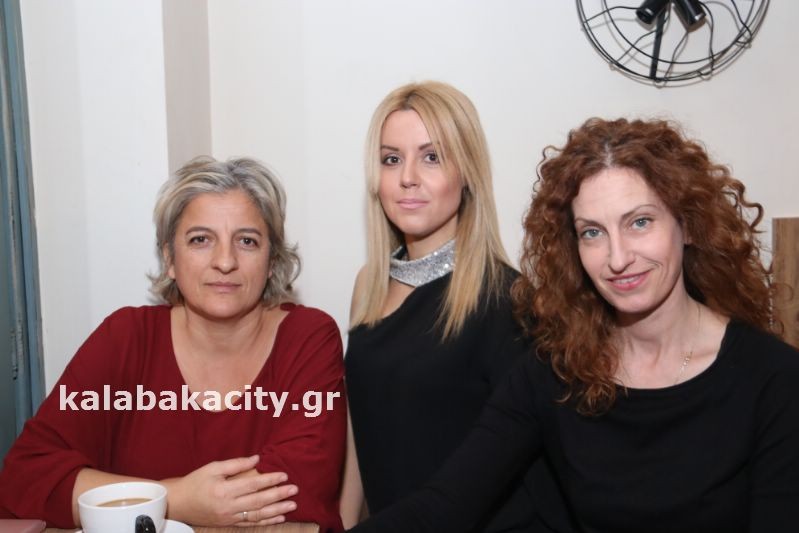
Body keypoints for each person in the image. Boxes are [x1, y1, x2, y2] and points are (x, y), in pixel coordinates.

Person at [347, 117, 799, 532]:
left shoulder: (772, 379)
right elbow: (443, 506)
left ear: (689, 225)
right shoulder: (555, 372)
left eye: (640, 222)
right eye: (592, 232)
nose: (618, 258)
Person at [0, 156, 347, 532]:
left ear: (272, 261)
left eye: (247, 241)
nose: (225, 261)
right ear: (169, 258)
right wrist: (177, 498)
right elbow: (26, 477)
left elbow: (302, 489)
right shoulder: (125, 338)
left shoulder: (308, 338)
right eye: (200, 240)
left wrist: (126, 503)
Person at [340, 81, 563, 531]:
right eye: (391, 159)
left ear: (468, 173)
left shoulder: (507, 300)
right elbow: (359, 429)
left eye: (432, 157)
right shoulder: (368, 284)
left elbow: (509, 465)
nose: (407, 177)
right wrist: (341, 523)